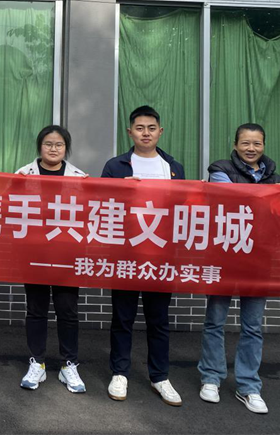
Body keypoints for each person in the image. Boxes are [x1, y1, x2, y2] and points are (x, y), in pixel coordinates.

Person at [198, 123, 280, 414]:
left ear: (264, 146)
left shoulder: (277, 180)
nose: (251, 148)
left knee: (252, 326)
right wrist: (269, 195)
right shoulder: (219, 169)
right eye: (245, 143)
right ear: (235, 145)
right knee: (215, 321)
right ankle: (211, 378)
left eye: (257, 143)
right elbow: (232, 199)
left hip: (260, 261)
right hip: (224, 257)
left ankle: (248, 386)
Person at [101, 105, 185, 406]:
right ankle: (119, 373)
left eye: (151, 128)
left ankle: (159, 376)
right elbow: (100, 206)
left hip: (161, 256)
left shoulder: (173, 168)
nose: (145, 133)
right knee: (123, 318)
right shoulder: (116, 166)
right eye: (139, 128)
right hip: (126, 254)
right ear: (130, 132)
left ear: (160, 131)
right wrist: (118, 192)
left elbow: (182, 210)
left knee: (158, 319)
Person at [16, 125, 89, 393]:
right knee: (36, 310)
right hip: (35, 253)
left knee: (67, 311)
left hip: (66, 254)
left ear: (66, 148)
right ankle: (37, 362)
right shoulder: (23, 175)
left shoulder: (80, 178)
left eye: (59, 144)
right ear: (40, 146)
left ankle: (69, 364)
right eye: (48, 144)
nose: (53, 149)